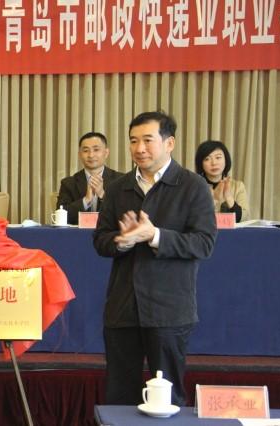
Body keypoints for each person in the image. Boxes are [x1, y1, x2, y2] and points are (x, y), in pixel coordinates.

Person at [93, 111, 217, 406]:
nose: (139, 148)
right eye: (133, 141)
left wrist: (154, 235)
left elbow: (203, 243)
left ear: (169, 143)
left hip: (169, 309)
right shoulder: (118, 188)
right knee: (119, 395)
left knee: (167, 397)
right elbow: (100, 240)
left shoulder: (192, 186)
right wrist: (122, 241)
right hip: (123, 307)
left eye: (148, 140)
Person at [56, 132, 123, 224]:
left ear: (106, 153)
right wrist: (86, 200)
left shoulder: (120, 180)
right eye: (86, 150)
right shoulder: (68, 183)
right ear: (80, 154)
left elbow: (124, 214)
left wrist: (103, 195)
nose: (91, 155)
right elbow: (61, 216)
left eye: (96, 150)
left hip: (110, 232)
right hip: (78, 232)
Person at [195, 140, 249, 222]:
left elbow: (244, 218)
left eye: (218, 157)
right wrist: (213, 200)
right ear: (200, 163)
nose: (214, 163)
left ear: (226, 160)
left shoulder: (238, 186)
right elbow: (191, 219)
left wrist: (228, 197)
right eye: (207, 159)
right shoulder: (194, 187)